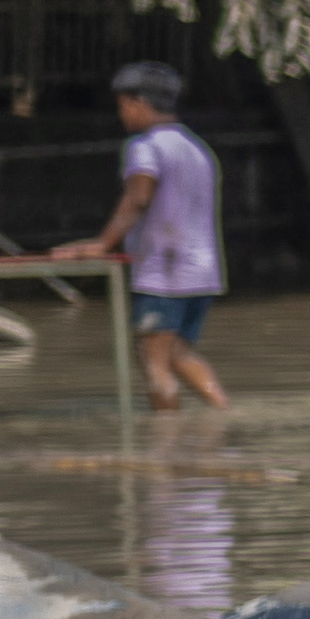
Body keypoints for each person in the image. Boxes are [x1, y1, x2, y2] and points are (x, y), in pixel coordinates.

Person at [80, 62, 229, 411]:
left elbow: (138, 197)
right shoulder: (196, 148)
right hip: (203, 273)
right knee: (176, 352)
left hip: (165, 272)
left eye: (122, 106)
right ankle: (223, 416)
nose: (121, 115)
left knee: (154, 362)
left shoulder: (144, 146)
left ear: (138, 103)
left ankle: (164, 445)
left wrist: (103, 243)